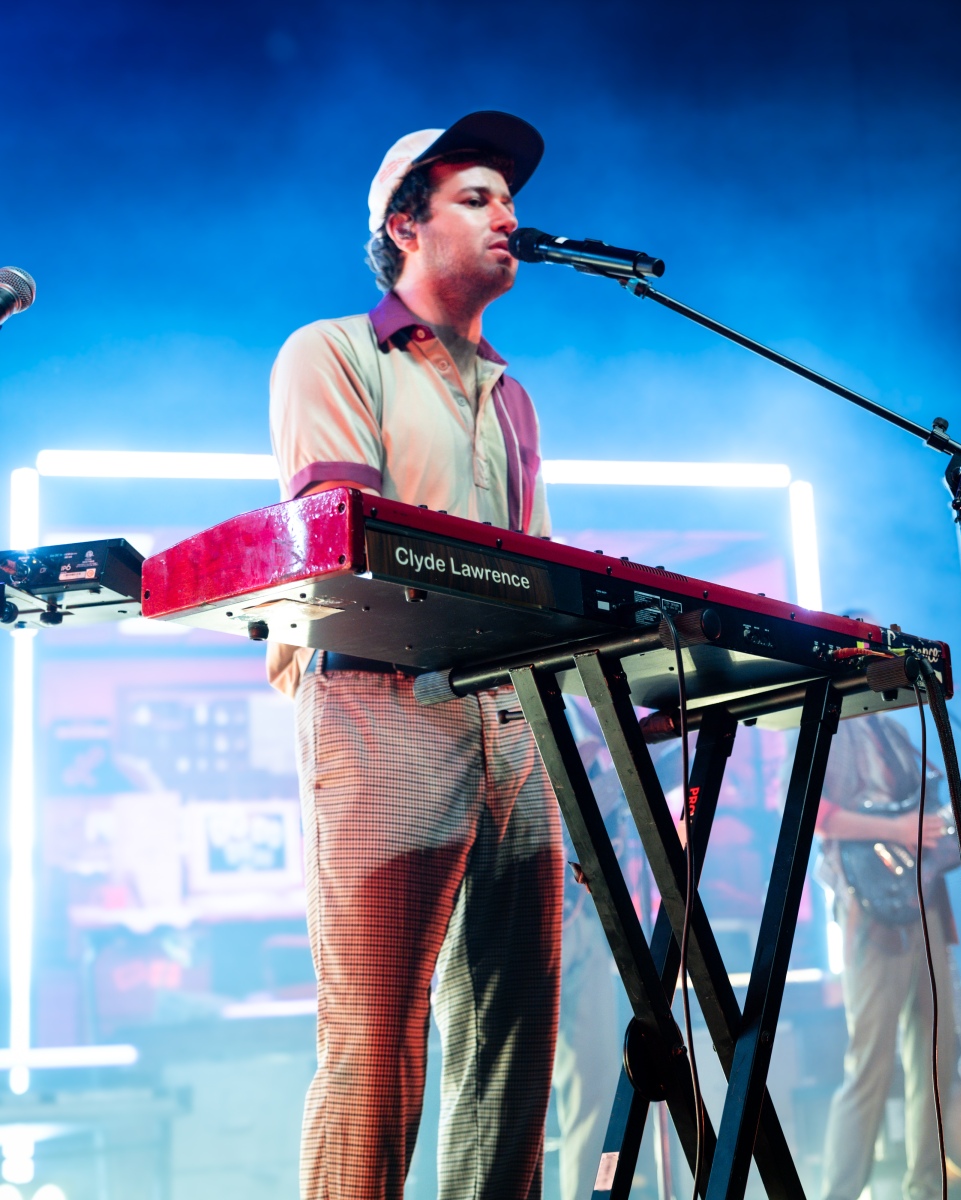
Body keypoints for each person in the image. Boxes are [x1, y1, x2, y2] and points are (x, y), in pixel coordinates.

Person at [267, 111, 563, 1200]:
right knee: (376, 1032)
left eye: (510, 200)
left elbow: (540, 578)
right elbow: (348, 543)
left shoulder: (514, 396)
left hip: (513, 718)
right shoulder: (334, 351)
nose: (508, 218)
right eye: (476, 199)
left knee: (513, 1036)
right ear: (404, 226)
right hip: (384, 698)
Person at [814, 682, 957, 1200]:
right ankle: (839, 1194)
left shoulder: (894, 729)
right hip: (868, 908)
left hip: (925, 899)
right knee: (870, 1063)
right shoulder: (825, 724)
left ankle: (926, 1191)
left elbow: (926, 814)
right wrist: (898, 829)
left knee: (938, 1056)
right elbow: (816, 815)